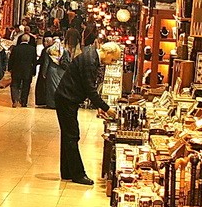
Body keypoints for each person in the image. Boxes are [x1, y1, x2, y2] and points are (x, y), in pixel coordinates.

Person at [53, 41, 122, 185]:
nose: (112, 63)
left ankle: (67, 172)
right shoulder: (90, 61)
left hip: (67, 98)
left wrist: (98, 106)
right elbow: (90, 88)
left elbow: (87, 87)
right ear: (108, 53)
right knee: (72, 136)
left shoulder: (91, 57)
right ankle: (78, 174)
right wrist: (107, 108)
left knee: (68, 136)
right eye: (113, 59)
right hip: (67, 98)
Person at [8, 31, 39, 107]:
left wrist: (10, 68)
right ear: (28, 40)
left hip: (16, 70)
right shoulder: (32, 49)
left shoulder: (16, 49)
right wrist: (34, 71)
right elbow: (34, 61)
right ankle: (24, 102)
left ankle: (15, 100)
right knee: (26, 86)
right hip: (27, 71)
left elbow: (11, 59)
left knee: (15, 85)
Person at [35, 35, 55, 107]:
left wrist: (34, 64)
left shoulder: (46, 50)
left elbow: (43, 61)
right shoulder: (54, 49)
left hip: (44, 70)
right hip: (52, 71)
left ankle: (42, 101)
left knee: (42, 86)